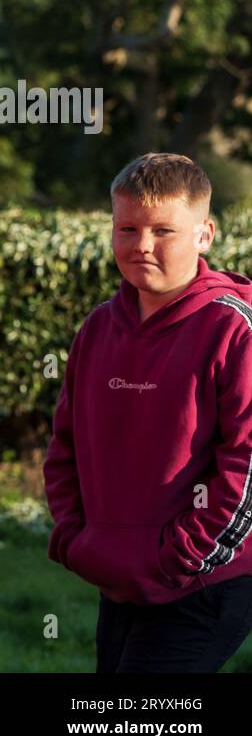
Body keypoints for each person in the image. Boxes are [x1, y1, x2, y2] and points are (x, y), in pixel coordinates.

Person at [44, 153, 252, 672]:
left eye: (164, 230)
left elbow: (246, 463)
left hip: (203, 580)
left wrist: (181, 555)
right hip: (116, 578)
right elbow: (65, 444)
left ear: (205, 234)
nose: (141, 244)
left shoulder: (235, 330)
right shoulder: (97, 329)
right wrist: (77, 539)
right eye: (127, 228)